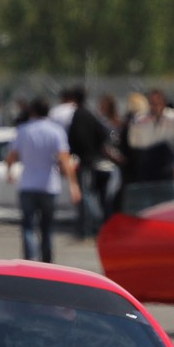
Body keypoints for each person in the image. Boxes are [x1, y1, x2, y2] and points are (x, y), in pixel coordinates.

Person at [6, 97, 81, 263]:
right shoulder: (56, 131)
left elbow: (11, 155)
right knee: (46, 227)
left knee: (28, 226)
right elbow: (64, 159)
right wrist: (73, 185)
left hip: (27, 183)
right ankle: (47, 261)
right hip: (48, 184)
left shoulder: (23, 130)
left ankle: (30, 257)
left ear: (32, 111)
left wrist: (9, 171)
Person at [64, 86, 110, 238]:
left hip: (85, 161)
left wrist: (76, 152)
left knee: (86, 195)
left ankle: (92, 226)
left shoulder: (78, 115)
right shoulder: (90, 114)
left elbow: (73, 137)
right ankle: (92, 226)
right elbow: (103, 133)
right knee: (88, 194)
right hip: (92, 159)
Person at [127, 88, 174, 183]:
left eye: (157, 102)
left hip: (168, 164)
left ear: (163, 102)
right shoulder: (138, 120)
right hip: (147, 163)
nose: (155, 106)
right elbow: (133, 142)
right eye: (152, 102)